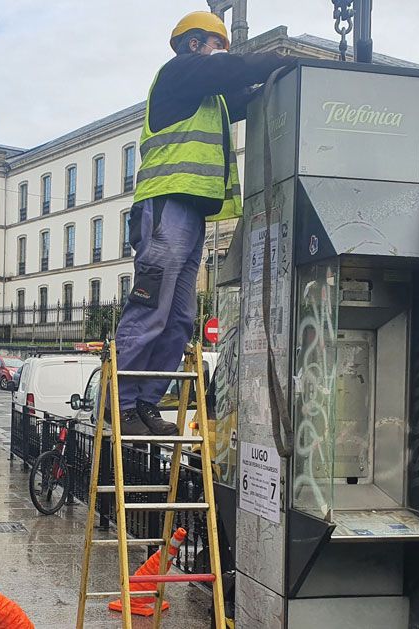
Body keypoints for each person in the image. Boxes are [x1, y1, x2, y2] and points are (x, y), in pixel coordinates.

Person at [114, 11, 295, 435]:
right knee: (150, 309)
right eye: (217, 44)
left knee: (177, 320)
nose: (222, 54)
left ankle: (145, 405)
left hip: (190, 214)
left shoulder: (206, 100)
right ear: (195, 45)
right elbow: (233, 69)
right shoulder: (179, 73)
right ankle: (119, 404)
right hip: (165, 208)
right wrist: (282, 58)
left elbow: (241, 93)